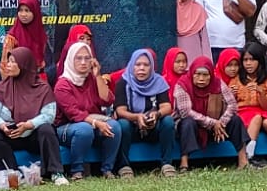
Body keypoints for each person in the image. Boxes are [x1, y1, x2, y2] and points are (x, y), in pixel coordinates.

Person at [0, 47, 65, 185]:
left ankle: (56, 172)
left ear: (24, 64)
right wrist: (2, 125)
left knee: (47, 129)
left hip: (32, 133)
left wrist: (29, 125)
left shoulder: (42, 87)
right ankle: (13, 173)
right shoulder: (2, 87)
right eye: (9, 61)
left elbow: (49, 115)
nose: (9, 65)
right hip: (11, 133)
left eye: (13, 62)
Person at [55, 42, 129, 181]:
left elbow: (107, 100)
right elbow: (74, 113)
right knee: (84, 129)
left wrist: (97, 75)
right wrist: (96, 122)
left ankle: (107, 169)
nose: (83, 62)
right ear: (71, 59)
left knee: (115, 126)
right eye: (78, 58)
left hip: (91, 122)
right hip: (67, 127)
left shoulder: (92, 79)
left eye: (87, 58)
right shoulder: (63, 84)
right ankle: (77, 171)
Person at [173, 55, 248, 172]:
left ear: (211, 75)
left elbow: (232, 105)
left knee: (235, 120)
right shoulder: (182, 84)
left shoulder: (217, 83)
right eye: (197, 74)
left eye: (205, 75)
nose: (201, 78)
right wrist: (212, 123)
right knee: (187, 122)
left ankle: (243, 160)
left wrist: (221, 123)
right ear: (192, 73)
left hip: (217, 126)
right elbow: (185, 112)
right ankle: (184, 163)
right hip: (194, 127)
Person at [116, 48, 180, 176]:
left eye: (146, 65)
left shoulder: (158, 81)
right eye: (138, 64)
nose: (142, 68)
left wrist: (157, 115)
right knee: (122, 124)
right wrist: (136, 117)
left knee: (168, 121)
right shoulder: (123, 82)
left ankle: (167, 163)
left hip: (153, 127)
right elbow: (120, 110)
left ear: (151, 67)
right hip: (132, 128)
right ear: (132, 65)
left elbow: (167, 107)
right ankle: (124, 166)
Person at [2, 0, 50, 76]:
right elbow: (4, 67)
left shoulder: (41, 36)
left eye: (27, 11)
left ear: (35, 12)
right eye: (20, 10)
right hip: (18, 83)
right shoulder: (12, 38)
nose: (23, 14)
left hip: (38, 82)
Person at [174, 0, 212, 64]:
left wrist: (207, 63)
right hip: (175, 60)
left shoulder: (198, 10)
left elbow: (205, 41)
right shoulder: (170, 9)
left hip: (195, 59)